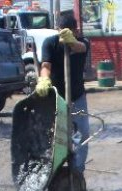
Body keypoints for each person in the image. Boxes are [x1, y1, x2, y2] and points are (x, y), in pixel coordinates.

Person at [36, 15, 91, 173]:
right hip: (57, 98)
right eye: (60, 31)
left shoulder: (83, 41)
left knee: (82, 134)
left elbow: (81, 47)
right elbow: (46, 65)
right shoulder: (50, 43)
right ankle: (56, 173)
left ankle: (77, 173)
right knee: (56, 137)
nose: (61, 33)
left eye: (66, 31)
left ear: (74, 30)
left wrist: (71, 41)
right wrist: (44, 79)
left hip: (77, 97)